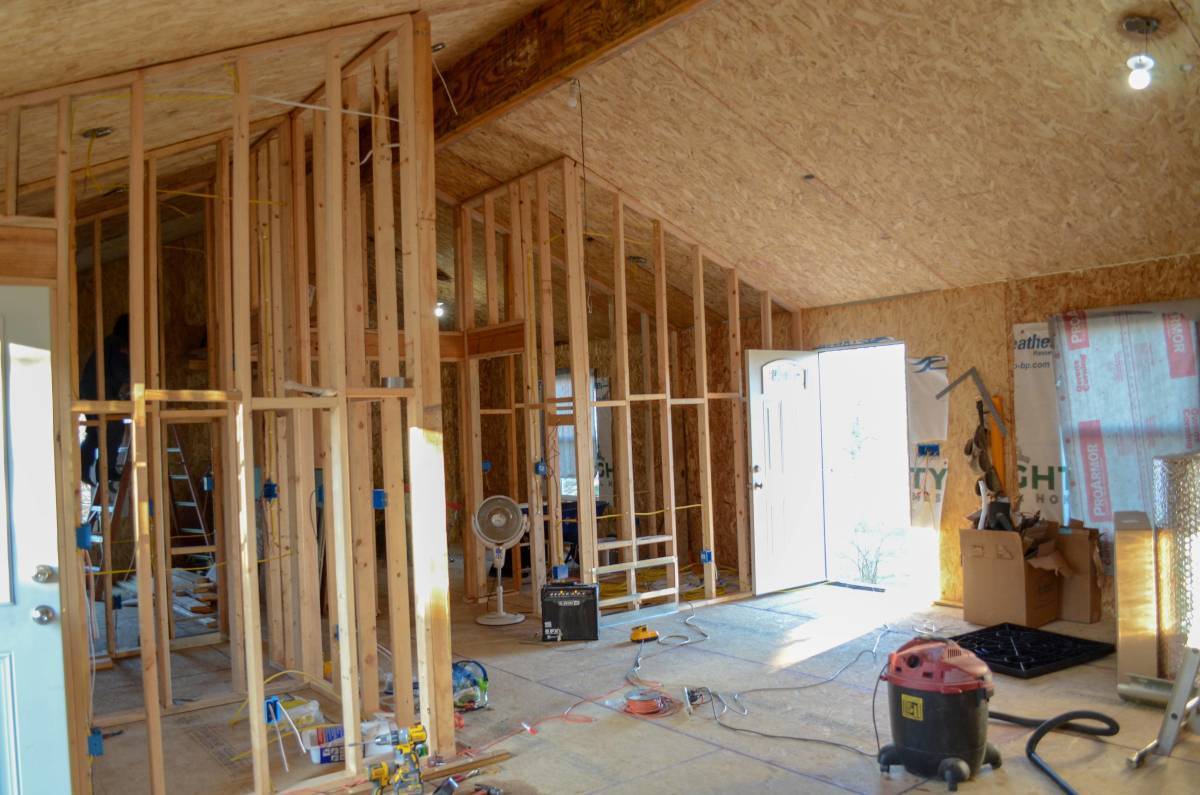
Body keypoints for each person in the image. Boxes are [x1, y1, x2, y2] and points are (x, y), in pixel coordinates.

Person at [79, 314, 130, 486]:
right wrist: (135, 379)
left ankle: (83, 468)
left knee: (95, 431)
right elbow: (120, 371)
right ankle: (106, 471)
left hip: (88, 391)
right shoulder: (118, 345)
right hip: (99, 392)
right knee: (115, 427)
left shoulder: (108, 342)